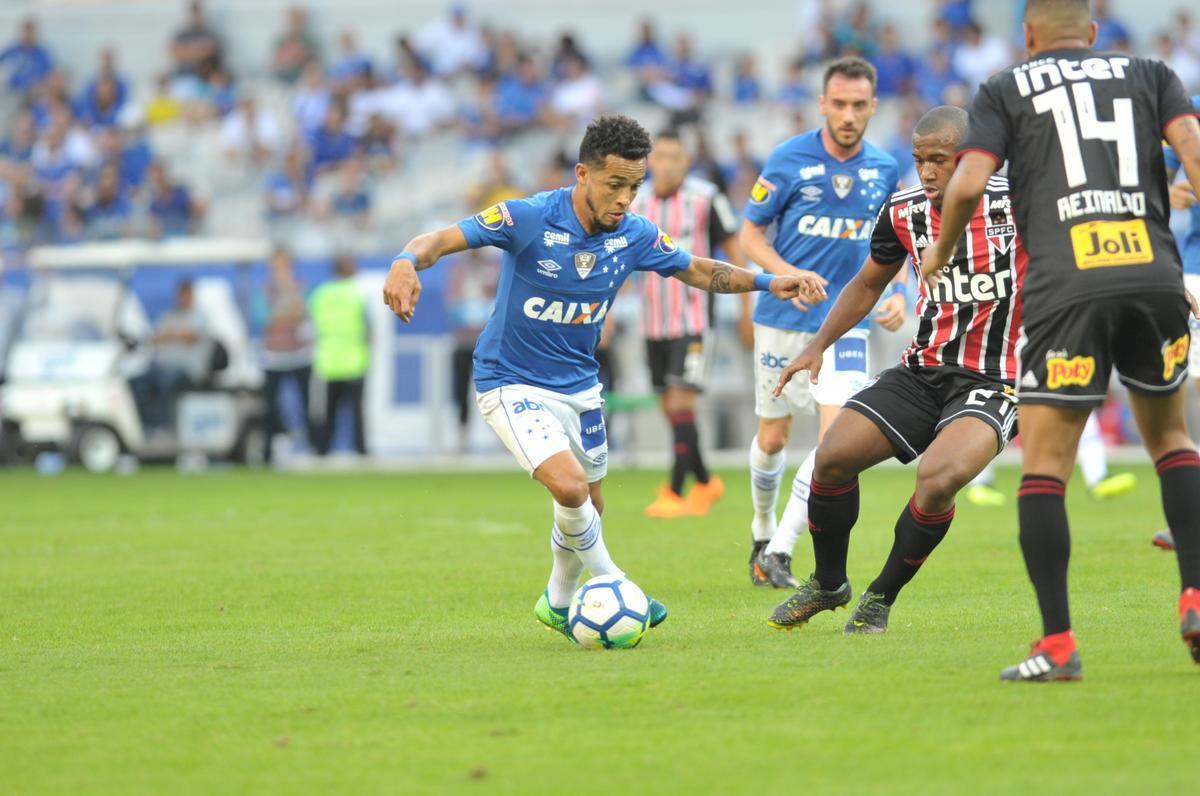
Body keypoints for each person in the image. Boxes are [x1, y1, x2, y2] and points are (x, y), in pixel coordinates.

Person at [381, 115, 820, 643]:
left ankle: (558, 600)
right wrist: (407, 261)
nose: (626, 199)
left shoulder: (633, 234)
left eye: (635, 187)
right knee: (569, 489)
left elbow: (699, 270)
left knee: (590, 501)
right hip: (510, 381)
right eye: (615, 185)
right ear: (582, 173)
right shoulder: (527, 217)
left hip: (581, 385)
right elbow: (441, 239)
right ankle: (617, 581)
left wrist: (771, 282)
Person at [918, 0, 1200, 680]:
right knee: (1171, 440)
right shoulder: (1152, 72)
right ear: (1094, 32)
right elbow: (1192, 149)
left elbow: (967, 184)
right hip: (1152, 274)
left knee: (1045, 465)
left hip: (1067, 286)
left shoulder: (1006, 87)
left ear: (1028, 35)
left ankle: (1059, 645)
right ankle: (1194, 594)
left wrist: (940, 253)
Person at [764, 106, 1025, 633]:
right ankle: (829, 583)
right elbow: (866, 284)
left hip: (996, 379)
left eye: (940, 161)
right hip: (924, 369)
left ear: (971, 159)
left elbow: (1089, 243)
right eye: (919, 160)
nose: (927, 172)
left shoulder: (1021, 203)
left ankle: (880, 596)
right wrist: (818, 345)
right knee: (832, 458)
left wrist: (1155, 278)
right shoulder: (904, 210)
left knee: (937, 478)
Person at [739, 57, 902, 590]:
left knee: (835, 444)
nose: (849, 115)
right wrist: (787, 273)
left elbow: (895, 248)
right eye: (840, 104)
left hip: (846, 327)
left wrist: (897, 292)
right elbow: (750, 236)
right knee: (772, 436)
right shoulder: (788, 158)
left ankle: (780, 551)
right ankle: (763, 531)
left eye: (859, 106)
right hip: (783, 317)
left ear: (873, 107)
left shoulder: (884, 169)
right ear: (822, 104)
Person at [632, 128, 745, 518]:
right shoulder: (637, 201)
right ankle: (705, 480)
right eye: (658, 156)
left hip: (694, 318)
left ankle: (674, 492)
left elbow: (733, 248)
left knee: (681, 400)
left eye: (673, 157)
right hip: (652, 320)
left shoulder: (705, 198)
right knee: (670, 405)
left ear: (686, 161)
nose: (665, 164)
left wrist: (745, 311)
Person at [1155, 93, 1200, 552]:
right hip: (1196, 268)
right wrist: (1165, 191)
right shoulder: (1190, 112)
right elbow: (1152, 183)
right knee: (1189, 384)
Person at [965, 411, 1136, 506]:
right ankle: (980, 483)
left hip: (1044, 364)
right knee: (994, 418)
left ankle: (1098, 478)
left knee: (1081, 409)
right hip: (1008, 369)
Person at [130, 279, 211, 434]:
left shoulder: (199, 315)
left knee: (165, 381)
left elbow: (190, 335)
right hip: (162, 366)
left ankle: (164, 427)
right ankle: (143, 425)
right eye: (180, 294)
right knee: (136, 382)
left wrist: (168, 336)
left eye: (186, 294)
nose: (182, 298)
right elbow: (154, 336)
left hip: (187, 370)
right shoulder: (169, 316)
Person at [310, 254, 369, 456]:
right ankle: (361, 451)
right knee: (356, 413)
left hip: (328, 361)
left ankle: (322, 452)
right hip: (354, 360)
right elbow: (367, 326)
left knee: (328, 413)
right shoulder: (358, 292)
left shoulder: (320, 293)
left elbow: (311, 323)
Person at [257, 245, 312, 462]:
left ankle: (309, 448)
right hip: (273, 357)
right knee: (270, 407)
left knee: (305, 405)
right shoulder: (263, 290)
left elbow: (302, 313)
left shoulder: (300, 287)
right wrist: (286, 315)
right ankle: (268, 452)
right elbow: (266, 321)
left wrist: (288, 290)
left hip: (299, 355)